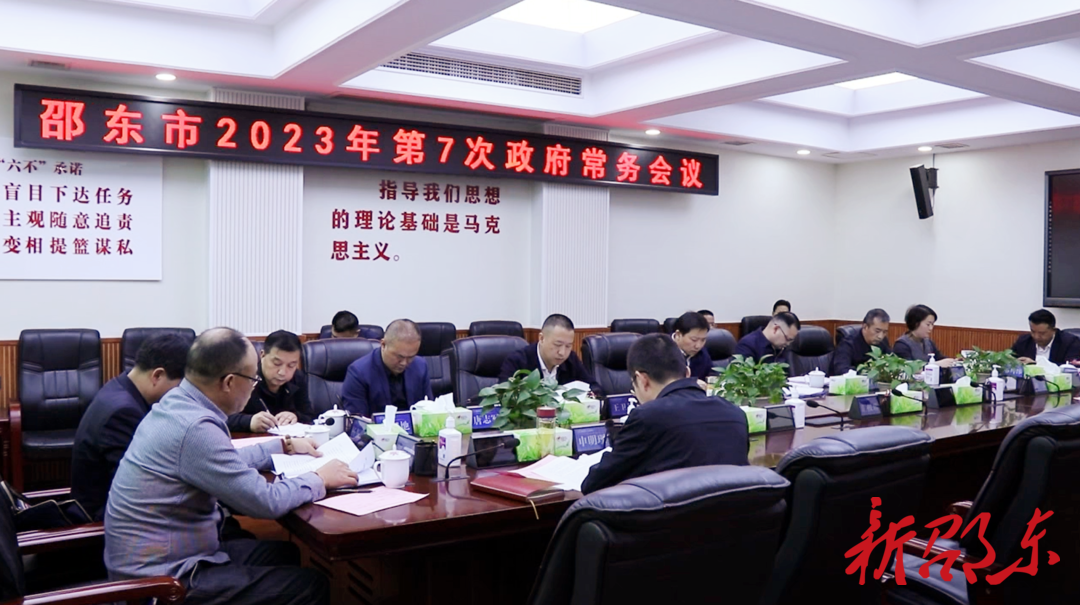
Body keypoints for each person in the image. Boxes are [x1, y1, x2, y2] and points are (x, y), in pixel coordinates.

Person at [105, 327, 357, 605]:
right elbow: (265, 501)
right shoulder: (195, 428)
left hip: (171, 555)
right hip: (163, 582)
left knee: (285, 553)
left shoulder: (179, 404)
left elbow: (223, 460)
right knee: (310, 586)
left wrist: (283, 445)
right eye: (253, 379)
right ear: (229, 382)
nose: (254, 387)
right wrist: (319, 477)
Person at [580, 334, 749, 495]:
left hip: (672, 515)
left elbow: (594, 484)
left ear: (642, 380)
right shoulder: (735, 414)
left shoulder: (647, 417)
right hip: (731, 514)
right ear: (687, 373)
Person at [71, 333, 192, 521]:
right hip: (106, 519)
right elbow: (136, 488)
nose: (181, 395)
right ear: (157, 375)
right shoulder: (124, 413)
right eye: (180, 387)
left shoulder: (120, 387)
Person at [227, 330, 315, 434]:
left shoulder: (298, 378)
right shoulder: (244, 377)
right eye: (277, 363)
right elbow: (222, 417)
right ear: (262, 355)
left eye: (291, 365)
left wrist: (295, 416)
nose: (282, 372)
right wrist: (249, 421)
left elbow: (309, 415)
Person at [342, 319, 432, 418]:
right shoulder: (358, 373)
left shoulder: (420, 366)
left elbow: (429, 410)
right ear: (383, 345)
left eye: (411, 357)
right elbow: (358, 421)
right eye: (399, 356)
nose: (404, 363)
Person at [498, 314, 603, 395]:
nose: (562, 352)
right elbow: (504, 396)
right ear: (541, 338)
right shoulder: (517, 361)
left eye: (568, 346)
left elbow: (594, 388)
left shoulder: (571, 360)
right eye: (557, 345)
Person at [830, 309, 892, 375]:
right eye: (877, 331)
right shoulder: (848, 344)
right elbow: (841, 370)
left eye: (884, 332)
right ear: (865, 327)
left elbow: (892, 362)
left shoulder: (883, 342)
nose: (880, 336)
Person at [1011, 309, 1080, 365]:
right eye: (1033, 331)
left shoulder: (1070, 342)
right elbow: (1009, 359)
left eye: (1042, 333)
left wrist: (1035, 365)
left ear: (1053, 330)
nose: (1036, 337)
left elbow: (1070, 368)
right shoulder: (1023, 341)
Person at [735, 312, 800, 366]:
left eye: (791, 340)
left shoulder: (783, 348)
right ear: (776, 329)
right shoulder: (747, 345)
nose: (788, 344)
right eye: (787, 339)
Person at [671, 311, 713, 381]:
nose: (698, 346)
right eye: (694, 340)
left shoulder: (703, 353)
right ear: (678, 334)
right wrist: (692, 383)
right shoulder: (661, 350)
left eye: (703, 340)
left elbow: (712, 374)